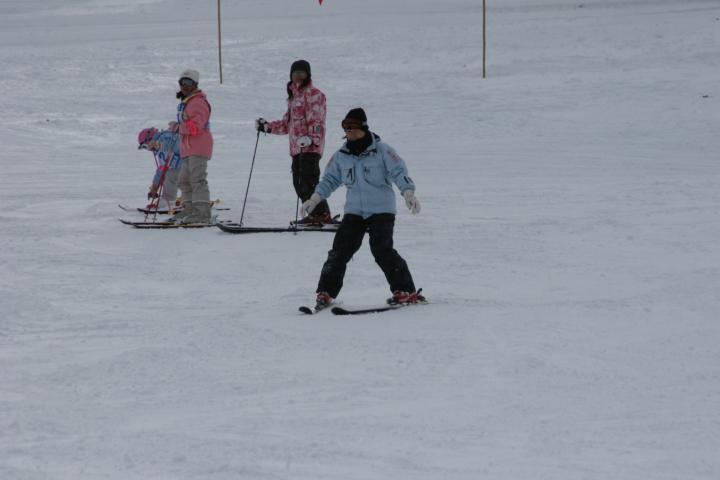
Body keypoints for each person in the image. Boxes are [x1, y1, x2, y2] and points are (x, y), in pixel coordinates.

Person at [301, 108, 424, 308]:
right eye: (346, 128)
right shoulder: (341, 155)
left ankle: (405, 290)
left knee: (382, 249)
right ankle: (325, 292)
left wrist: (408, 193)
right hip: (355, 211)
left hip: (381, 210)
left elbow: (398, 171)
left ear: (364, 128)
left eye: (353, 127)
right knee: (339, 251)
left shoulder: (382, 150)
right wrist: (314, 199)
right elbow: (330, 180)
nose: (350, 132)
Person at [255, 59, 333, 225]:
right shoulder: (293, 98)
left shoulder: (314, 94)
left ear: (308, 75)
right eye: (295, 72)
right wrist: (267, 127)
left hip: (310, 148)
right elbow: (286, 125)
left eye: (301, 72)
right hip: (297, 149)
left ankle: (322, 214)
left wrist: (312, 138)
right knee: (298, 183)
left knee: (308, 182)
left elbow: (317, 120)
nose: (298, 75)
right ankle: (315, 214)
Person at [169, 69, 214, 224]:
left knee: (197, 179)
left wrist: (178, 128)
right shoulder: (187, 102)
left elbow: (196, 126)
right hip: (188, 148)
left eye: (188, 82)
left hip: (199, 146)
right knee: (183, 180)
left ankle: (202, 213)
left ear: (195, 84)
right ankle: (189, 209)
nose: (184, 85)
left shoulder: (198, 102)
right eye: (182, 82)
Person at [137, 127, 182, 211]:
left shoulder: (165, 137)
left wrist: (159, 145)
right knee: (168, 173)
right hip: (181, 167)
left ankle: (169, 200)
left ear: (150, 139)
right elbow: (161, 170)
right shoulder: (159, 151)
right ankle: (187, 198)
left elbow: (171, 143)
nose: (148, 149)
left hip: (188, 164)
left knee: (170, 175)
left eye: (146, 146)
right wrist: (154, 188)